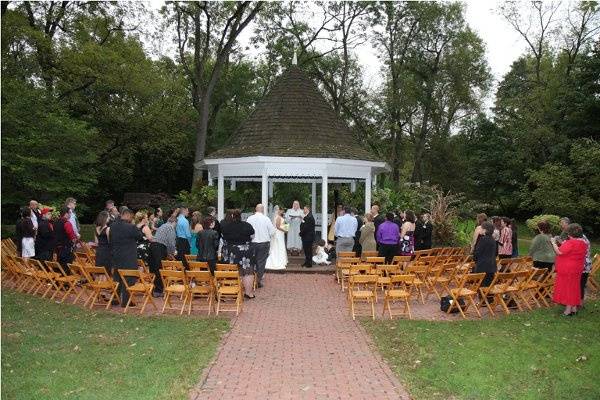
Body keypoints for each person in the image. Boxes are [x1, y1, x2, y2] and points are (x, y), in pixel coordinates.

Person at [551, 223, 588, 316]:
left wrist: (553, 243)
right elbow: (569, 250)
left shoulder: (571, 243)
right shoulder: (583, 243)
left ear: (569, 233)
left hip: (567, 269)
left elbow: (559, 251)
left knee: (568, 289)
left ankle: (568, 311)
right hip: (577, 269)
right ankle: (574, 308)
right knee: (574, 287)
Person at [110, 208, 142, 306]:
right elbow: (140, 236)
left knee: (117, 278)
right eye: (131, 216)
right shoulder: (131, 227)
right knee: (129, 278)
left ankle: (115, 299)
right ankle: (126, 301)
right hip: (129, 256)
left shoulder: (113, 226)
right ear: (127, 215)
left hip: (116, 255)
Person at [221, 209, 255, 298]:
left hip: (231, 251)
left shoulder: (226, 226)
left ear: (232, 216)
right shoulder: (247, 225)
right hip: (245, 251)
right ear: (241, 216)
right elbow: (252, 236)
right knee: (248, 271)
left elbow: (223, 237)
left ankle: (232, 291)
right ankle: (248, 293)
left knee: (232, 270)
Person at [247, 204, 275, 287]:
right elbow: (272, 232)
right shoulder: (266, 219)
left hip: (252, 243)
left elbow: (247, 231)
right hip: (264, 243)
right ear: (263, 210)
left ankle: (250, 280)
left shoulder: (250, 218)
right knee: (261, 262)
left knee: (252, 262)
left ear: (255, 209)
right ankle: (257, 281)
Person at [148, 216, 177, 296]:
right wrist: (172, 253)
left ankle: (152, 288)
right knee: (159, 269)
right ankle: (158, 291)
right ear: (174, 222)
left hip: (152, 246)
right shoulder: (171, 228)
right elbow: (171, 243)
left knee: (153, 268)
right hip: (159, 248)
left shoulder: (162, 226)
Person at [473, 221, 497, 288]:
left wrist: (474, 259)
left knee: (481, 286)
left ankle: (482, 298)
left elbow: (478, 252)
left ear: (485, 230)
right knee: (488, 286)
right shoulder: (493, 240)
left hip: (483, 266)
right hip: (492, 265)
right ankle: (488, 298)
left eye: (481, 228)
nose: (479, 229)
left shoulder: (483, 239)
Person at [54, 207, 78, 272]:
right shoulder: (67, 223)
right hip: (66, 248)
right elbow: (72, 237)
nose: (70, 214)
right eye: (69, 213)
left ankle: (59, 280)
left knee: (59, 265)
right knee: (66, 267)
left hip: (57, 247)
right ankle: (66, 280)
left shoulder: (55, 222)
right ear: (66, 214)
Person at [266, 205, 288, 270]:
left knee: (280, 246)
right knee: (279, 246)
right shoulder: (278, 217)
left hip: (280, 234)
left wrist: (286, 227)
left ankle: (282, 260)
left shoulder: (280, 217)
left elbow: (283, 225)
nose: (283, 211)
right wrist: (285, 230)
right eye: (282, 210)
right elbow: (278, 226)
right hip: (279, 234)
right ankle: (279, 261)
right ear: (279, 210)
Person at [580, 234, 592, 304]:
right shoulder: (584, 237)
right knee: (582, 284)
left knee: (580, 284)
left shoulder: (580, 240)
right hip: (587, 264)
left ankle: (579, 302)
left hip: (583, 264)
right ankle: (581, 302)